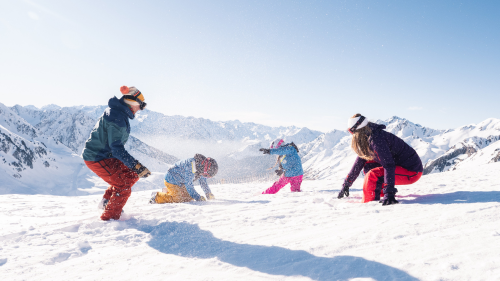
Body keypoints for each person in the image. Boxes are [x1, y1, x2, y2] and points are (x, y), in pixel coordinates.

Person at [82, 86, 151, 220]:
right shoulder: (117, 117)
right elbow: (117, 148)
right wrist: (136, 165)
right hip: (97, 157)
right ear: (132, 102)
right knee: (123, 186)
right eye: (140, 105)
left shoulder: (118, 112)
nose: (140, 109)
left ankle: (107, 202)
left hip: (105, 155)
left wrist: (136, 168)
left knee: (132, 174)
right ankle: (109, 220)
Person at [338, 114, 423, 205]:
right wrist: (346, 184)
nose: (352, 135)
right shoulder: (369, 137)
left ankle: (370, 205)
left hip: (412, 171)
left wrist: (389, 193)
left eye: (351, 132)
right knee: (368, 166)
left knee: (373, 175)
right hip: (400, 166)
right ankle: (378, 194)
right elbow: (358, 163)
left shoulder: (376, 139)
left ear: (357, 130)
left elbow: (388, 165)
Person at [150, 154, 218, 204]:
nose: (205, 177)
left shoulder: (201, 168)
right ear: (205, 169)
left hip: (181, 182)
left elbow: (203, 182)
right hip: (171, 180)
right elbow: (189, 185)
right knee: (177, 199)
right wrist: (198, 197)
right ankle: (156, 196)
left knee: (189, 198)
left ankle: (167, 191)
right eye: (206, 175)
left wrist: (208, 193)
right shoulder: (191, 165)